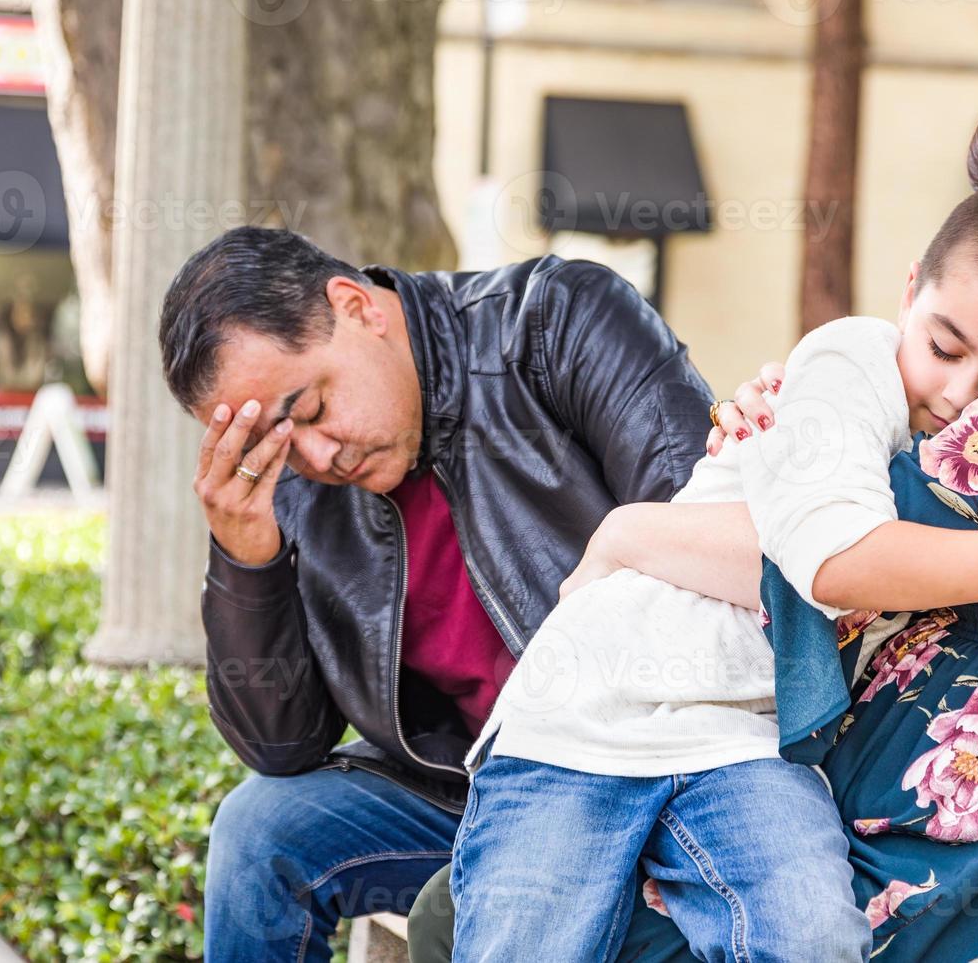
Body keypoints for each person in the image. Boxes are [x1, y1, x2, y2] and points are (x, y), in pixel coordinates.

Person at [407, 5, 978, 962]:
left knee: (478, 917)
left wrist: (632, 533)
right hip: (971, 825)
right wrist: (804, 423)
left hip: (975, 859)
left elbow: (846, 542)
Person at [447, 179, 978, 963]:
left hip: (745, 743)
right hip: (590, 713)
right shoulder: (851, 356)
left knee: (813, 936)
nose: (958, 396)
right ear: (910, 289)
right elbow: (835, 560)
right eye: (944, 349)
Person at [157, 227, 719, 961]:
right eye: (279, 446)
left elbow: (704, 551)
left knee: (450, 912)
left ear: (357, 306)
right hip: (475, 789)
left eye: (315, 408)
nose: (318, 458)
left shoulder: (555, 323)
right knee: (260, 831)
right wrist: (245, 557)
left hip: (648, 777)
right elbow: (283, 742)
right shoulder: (299, 484)